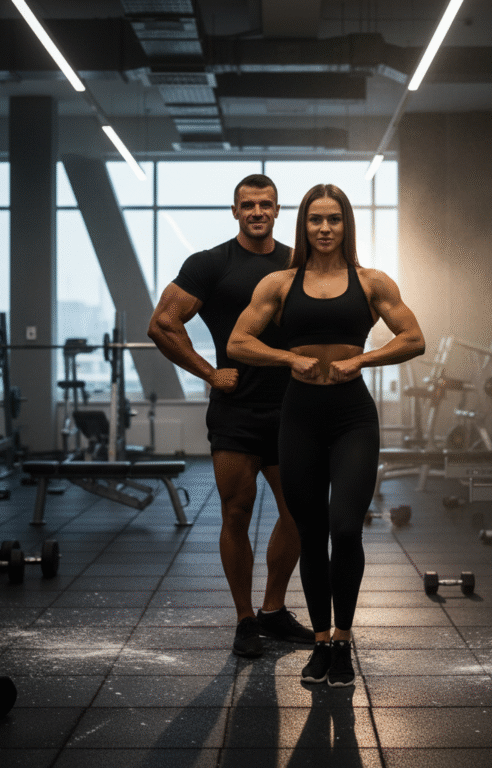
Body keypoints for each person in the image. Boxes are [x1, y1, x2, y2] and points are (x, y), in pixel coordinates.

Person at [227, 183, 425, 686]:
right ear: (303, 224)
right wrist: (289, 357)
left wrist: (362, 359)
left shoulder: (371, 281)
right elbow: (238, 342)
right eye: (316, 219)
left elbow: (414, 338)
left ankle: (343, 638)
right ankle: (320, 642)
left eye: (334, 219)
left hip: (351, 417)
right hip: (299, 417)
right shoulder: (279, 283)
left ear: (346, 224)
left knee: (344, 528)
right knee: (311, 534)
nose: (324, 228)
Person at [148, 174, 314, 658]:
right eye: (248, 205)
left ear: (279, 211)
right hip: (236, 411)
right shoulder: (210, 264)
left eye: (265, 204)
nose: (257, 211)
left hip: (292, 407)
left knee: (298, 513)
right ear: (235, 210)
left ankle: (274, 610)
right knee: (235, 512)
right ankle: (245, 620)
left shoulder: (297, 262)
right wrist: (209, 372)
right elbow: (162, 323)